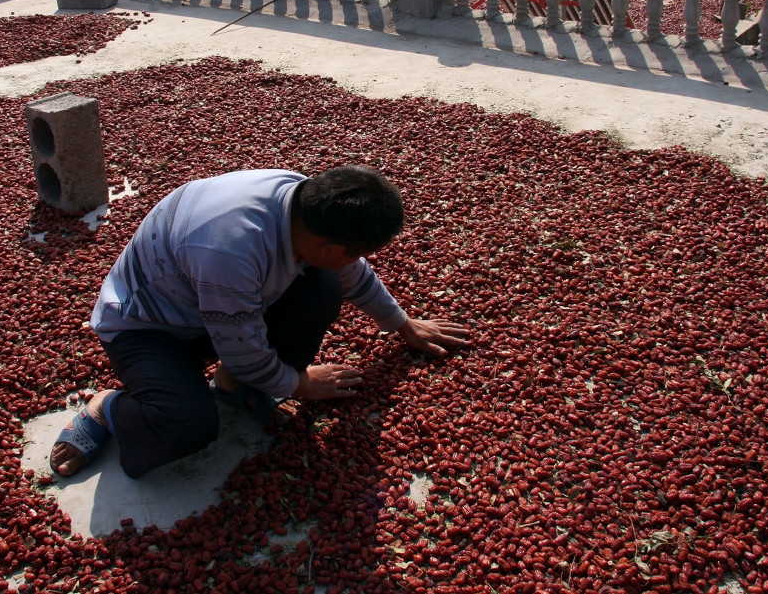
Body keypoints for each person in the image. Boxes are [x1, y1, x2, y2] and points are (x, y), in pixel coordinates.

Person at [50, 165, 470, 479]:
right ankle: (107, 407)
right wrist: (302, 383)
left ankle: (233, 388)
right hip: (148, 325)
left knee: (324, 285)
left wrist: (402, 324)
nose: (354, 262)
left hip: (209, 303)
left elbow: (348, 271)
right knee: (189, 425)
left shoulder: (304, 200)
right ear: (329, 245)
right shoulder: (231, 252)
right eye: (349, 252)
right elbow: (244, 350)